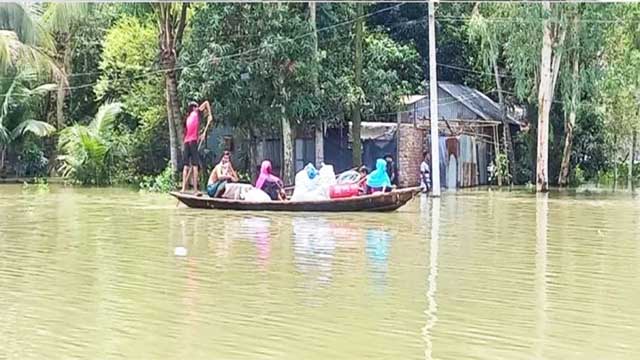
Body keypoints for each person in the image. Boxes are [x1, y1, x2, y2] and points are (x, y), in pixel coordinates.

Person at [181, 101, 212, 194]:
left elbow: (191, 130)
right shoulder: (195, 113)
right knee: (195, 166)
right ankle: (195, 190)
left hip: (186, 142)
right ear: (194, 108)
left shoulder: (188, 118)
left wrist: (200, 135)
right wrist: (210, 115)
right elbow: (206, 103)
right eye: (197, 107)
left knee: (186, 166)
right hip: (192, 142)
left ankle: (183, 188)